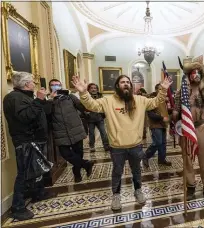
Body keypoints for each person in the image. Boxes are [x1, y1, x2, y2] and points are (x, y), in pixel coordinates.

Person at [72, 74, 172, 210]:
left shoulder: (140, 100)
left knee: (137, 170)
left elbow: (156, 101)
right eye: (122, 82)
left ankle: (138, 190)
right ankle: (116, 195)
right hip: (117, 147)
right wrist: (83, 92)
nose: (126, 84)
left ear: (131, 86)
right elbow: (92, 105)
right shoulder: (108, 101)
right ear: (117, 86)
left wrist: (163, 89)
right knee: (117, 171)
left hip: (135, 145)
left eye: (128, 82)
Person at [3, 72, 55, 220]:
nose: (34, 84)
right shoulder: (14, 98)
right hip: (25, 141)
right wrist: (38, 100)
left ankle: (38, 193)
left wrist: (44, 100)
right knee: (24, 174)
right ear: (26, 84)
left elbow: (39, 113)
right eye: (33, 82)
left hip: (35, 140)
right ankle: (17, 207)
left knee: (36, 170)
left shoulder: (25, 96)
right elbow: (26, 117)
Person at [172, 62, 204, 203]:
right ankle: (191, 187)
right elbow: (175, 113)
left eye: (198, 72)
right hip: (186, 129)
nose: (196, 75)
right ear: (188, 75)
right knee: (187, 160)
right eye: (193, 72)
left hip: (201, 128)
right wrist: (173, 115)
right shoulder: (181, 92)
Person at [47, 79, 94, 183]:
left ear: (61, 85)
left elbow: (83, 107)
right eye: (53, 85)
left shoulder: (70, 97)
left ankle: (77, 174)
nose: (55, 86)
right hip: (60, 132)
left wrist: (84, 93)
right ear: (49, 87)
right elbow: (46, 113)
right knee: (66, 154)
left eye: (57, 84)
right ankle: (86, 164)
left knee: (78, 153)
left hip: (76, 130)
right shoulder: (47, 99)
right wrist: (51, 99)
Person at [143, 83, 172, 167]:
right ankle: (145, 156)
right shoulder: (152, 99)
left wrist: (172, 111)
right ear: (156, 90)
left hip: (163, 124)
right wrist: (162, 118)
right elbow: (150, 114)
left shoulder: (163, 100)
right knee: (157, 143)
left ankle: (162, 159)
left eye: (163, 89)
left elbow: (164, 111)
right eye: (160, 89)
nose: (162, 91)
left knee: (163, 143)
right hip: (155, 125)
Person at [87, 83, 110, 152]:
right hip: (90, 118)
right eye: (92, 88)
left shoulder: (101, 96)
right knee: (91, 133)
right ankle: (92, 146)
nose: (94, 89)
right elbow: (83, 106)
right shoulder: (87, 97)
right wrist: (85, 114)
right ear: (89, 89)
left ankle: (106, 146)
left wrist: (104, 115)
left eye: (95, 88)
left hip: (99, 118)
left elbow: (104, 106)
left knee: (103, 132)